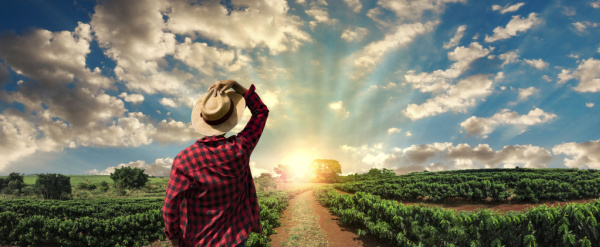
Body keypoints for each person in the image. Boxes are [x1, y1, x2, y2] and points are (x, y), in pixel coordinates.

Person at [162, 79, 269, 247]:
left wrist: (175, 240)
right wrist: (237, 86)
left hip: (199, 241)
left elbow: (169, 208)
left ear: (203, 120)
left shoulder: (184, 160)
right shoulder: (241, 149)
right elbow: (261, 112)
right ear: (231, 119)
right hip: (235, 237)